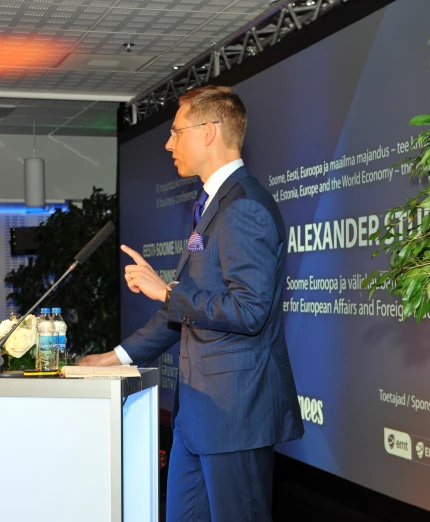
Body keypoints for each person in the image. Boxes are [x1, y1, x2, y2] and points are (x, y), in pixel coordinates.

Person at [77, 85, 304, 521]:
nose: (168, 143)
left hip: (235, 416)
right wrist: (115, 357)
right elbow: (183, 312)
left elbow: (250, 311)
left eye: (176, 131)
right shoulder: (212, 205)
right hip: (197, 415)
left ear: (209, 132)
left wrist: (166, 290)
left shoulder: (245, 208)